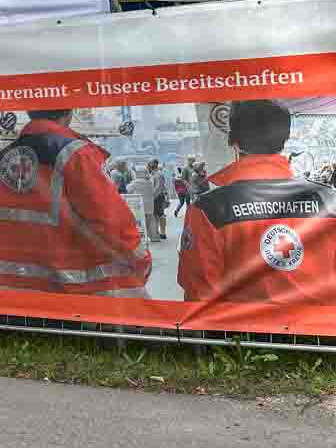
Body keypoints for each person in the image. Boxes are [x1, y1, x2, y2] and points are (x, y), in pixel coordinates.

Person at [0, 109, 151, 296]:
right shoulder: (76, 154)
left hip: (9, 293)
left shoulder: (2, 159)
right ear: (69, 112)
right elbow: (112, 223)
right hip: (67, 295)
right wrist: (141, 261)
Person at [178, 99, 336, 303]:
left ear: (233, 142)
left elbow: (200, 293)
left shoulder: (208, 210)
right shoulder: (328, 200)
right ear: (285, 139)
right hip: (320, 330)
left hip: (246, 331)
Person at [128, 164, 157, 243]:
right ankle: (150, 236)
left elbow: (128, 189)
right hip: (150, 206)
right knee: (148, 223)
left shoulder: (136, 182)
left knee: (140, 223)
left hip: (139, 206)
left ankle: (142, 238)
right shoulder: (149, 182)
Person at [148, 158, 169, 240]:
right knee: (159, 215)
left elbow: (158, 188)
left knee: (158, 215)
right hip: (158, 196)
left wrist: (152, 197)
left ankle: (160, 233)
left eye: (149, 165)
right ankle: (159, 232)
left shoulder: (158, 175)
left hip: (158, 197)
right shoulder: (154, 174)